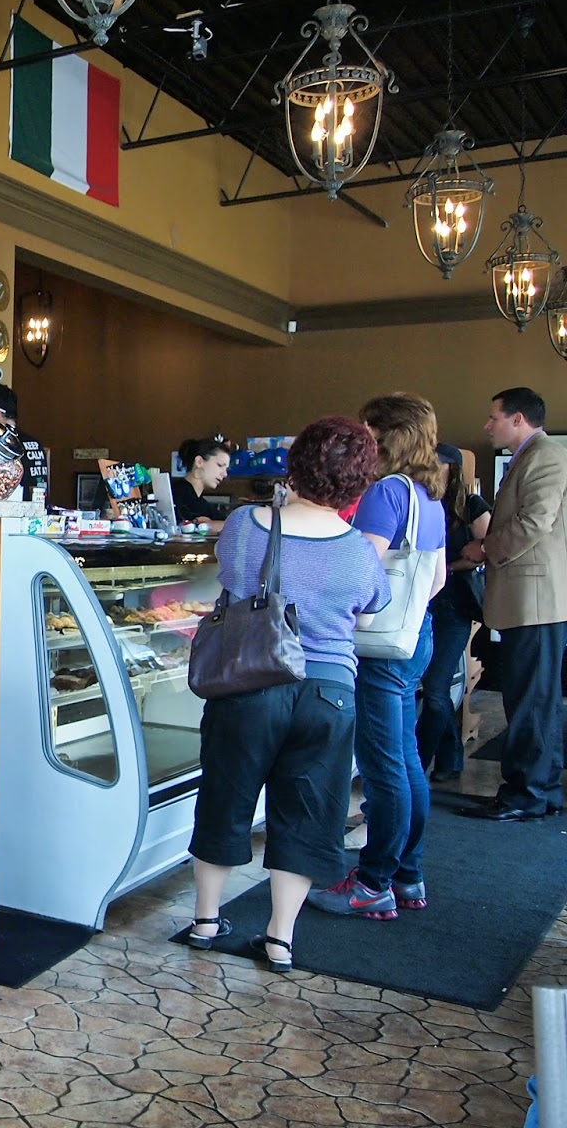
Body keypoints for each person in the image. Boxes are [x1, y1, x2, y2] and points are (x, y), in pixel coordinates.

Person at [187, 416, 389, 972]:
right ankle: (279, 939)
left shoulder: (245, 524)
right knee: (307, 812)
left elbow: (231, 579)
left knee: (225, 799)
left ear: (295, 463)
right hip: (329, 692)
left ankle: (205, 921)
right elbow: (370, 613)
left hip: (250, 681)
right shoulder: (359, 550)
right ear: (359, 481)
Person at [310, 392, 446, 920]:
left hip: (379, 648)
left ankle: (373, 881)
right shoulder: (428, 494)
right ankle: (408, 874)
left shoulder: (386, 491)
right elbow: (436, 579)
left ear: (387, 435)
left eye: (367, 430)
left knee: (383, 766)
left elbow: (360, 572)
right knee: (406, 759)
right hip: (414, 636)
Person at [459, 387, 567, 821]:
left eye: (494, 417)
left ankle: (527, 793)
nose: (488, 425)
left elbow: (535, 522)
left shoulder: (545, 456)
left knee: (531, 700)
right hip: (531, 601)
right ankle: (541, 789)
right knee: (536, 698)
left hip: (536, 601)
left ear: (518, 419)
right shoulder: (532, 456)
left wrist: (485, 549)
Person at [416, 443, 490, 781]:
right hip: (422, 602)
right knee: (434, 686)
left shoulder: (471, 505)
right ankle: (450, 757)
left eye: (437, 463)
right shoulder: (421, 500)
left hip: (454, 605)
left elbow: (484, 551)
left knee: (435, 689)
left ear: (452, 469)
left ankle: (417, 762)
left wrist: (446, 567)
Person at [171, 438, 232, 531]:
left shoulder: (199, 502)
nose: (225, 474)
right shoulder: (179, 494)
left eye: (226, 469)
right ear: (199, 461)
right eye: (220, 465)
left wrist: (212, 524)